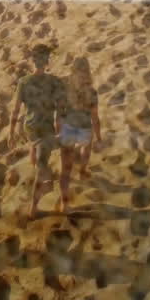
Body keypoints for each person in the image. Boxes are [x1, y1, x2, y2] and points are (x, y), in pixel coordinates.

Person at [8, 43, 67, 217]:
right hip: (44, 129)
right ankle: (34, 208)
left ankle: (38, 167)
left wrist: (11, 132)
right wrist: (59, 125)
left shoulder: (23, 82)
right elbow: (60, 110)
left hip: (30, 127)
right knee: (43, 166)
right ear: (47, 61)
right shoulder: (54, 82)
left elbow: (16, 109)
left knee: (36, 150)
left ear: (33, 60)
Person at [57, 57, 101, 212]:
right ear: (88, 72)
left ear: (72, 70)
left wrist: (58, 127)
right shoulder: (92, 92)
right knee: (86, 148)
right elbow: (95, 118)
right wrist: (99, 136)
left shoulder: (64, 86)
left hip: (67, 128)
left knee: (65, 170)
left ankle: (64, 203)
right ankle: (82, 170)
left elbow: (59, 109)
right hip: (84, 128)